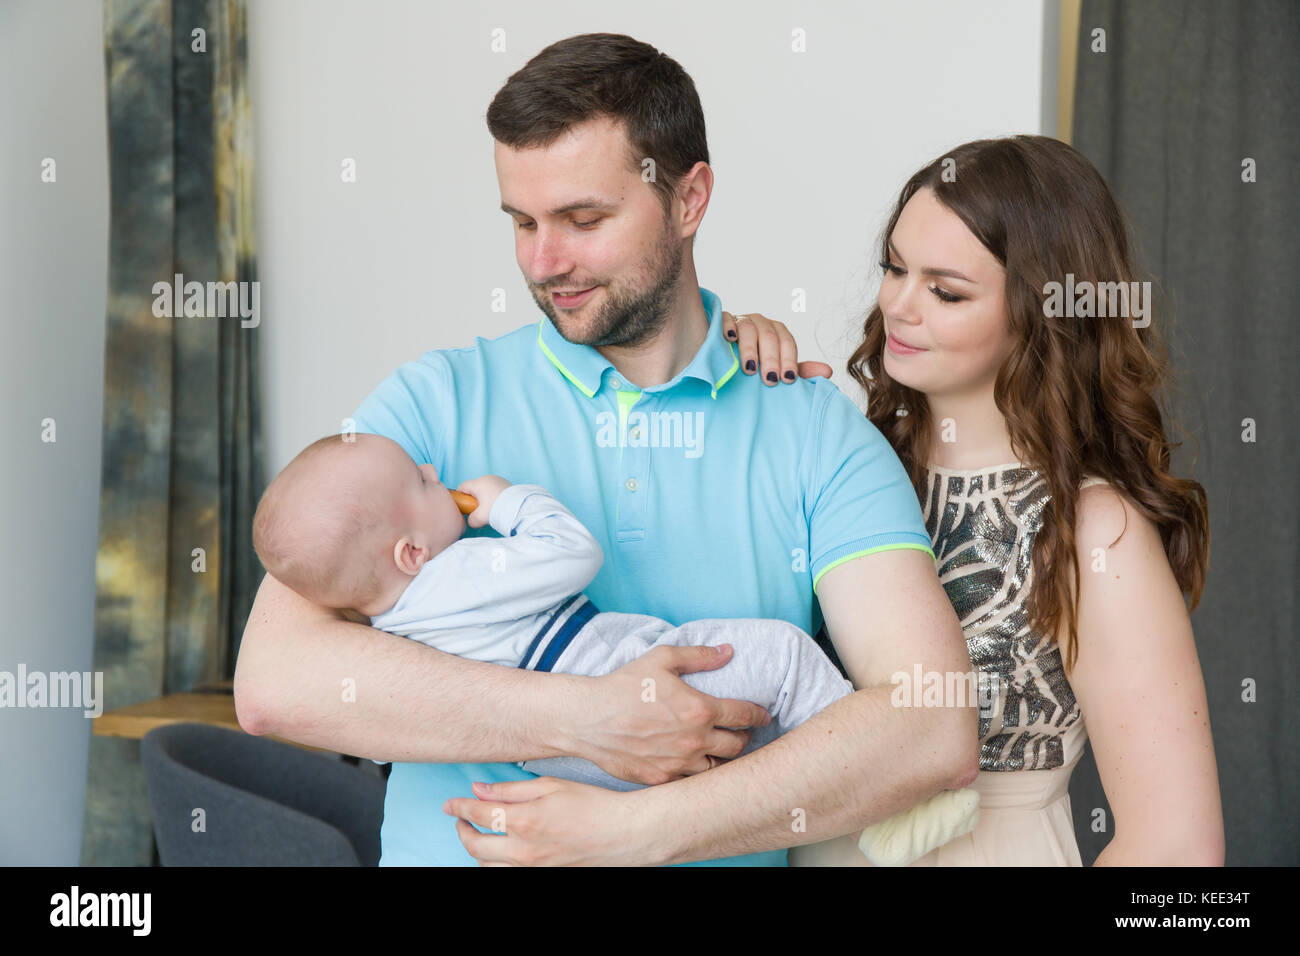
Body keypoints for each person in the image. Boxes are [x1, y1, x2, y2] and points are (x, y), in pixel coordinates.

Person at [234, 33, 978, 867]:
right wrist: (583, 717)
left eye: (583, 220)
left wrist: (636, 834)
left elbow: (930, 724)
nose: (544, 261)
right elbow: (274, 685)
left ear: (689, 199)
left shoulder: (812, 428)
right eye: (522, 222)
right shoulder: (432, 405)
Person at [730, 135, 1224, 865]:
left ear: (1042, 311)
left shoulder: (1092, 527)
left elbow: (1176, 847)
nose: (897, 305)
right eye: (894, 269)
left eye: (946, 290)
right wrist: (724, 366)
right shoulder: (848, 459)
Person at [250, 432, 981, 862]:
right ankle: (890, 810)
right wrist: (509, 502)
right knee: (784, 658)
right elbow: (572, 555)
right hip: (613, 670)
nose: (437, 472)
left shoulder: (391, 627)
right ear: (411, 552)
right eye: (420, 480)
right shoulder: (465, 570)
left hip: (562, 766)